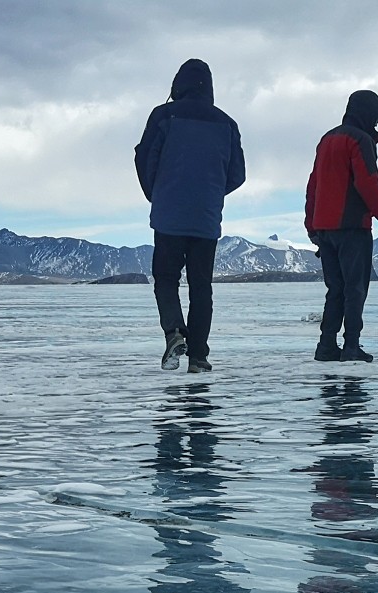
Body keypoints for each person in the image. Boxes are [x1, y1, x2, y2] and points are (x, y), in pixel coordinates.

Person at [134, 59, 246, 374]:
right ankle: (198, 356)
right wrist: (210, 192)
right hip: (206, 217)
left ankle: (174, 332)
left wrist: (157, 192)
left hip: (169, 212)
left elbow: (145, 157)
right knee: (201, 286)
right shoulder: (227, 123)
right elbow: (237, 174)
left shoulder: (164, 115)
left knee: (166, 278)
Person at [305, 89, 378, 363]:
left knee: (335, 289)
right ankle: (351, 346)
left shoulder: (326, 140)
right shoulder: (360, 140)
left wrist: (311, 225)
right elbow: (367, 183)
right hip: (352, 228)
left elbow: (313, 186)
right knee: (355, 289)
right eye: (377, 117)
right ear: (366, 113)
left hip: (325, 229)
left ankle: (326, 346)